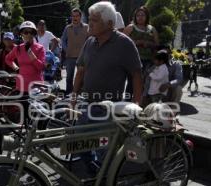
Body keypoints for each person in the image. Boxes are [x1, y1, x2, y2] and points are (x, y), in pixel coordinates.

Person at [72, 1, 143, 176]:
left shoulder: (124, 44)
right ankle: (95, 174)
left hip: (109, 109)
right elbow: (80, 70)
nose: (90, 23)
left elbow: (136, 75)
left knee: (105, 152)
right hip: (86, 104)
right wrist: (73, 96)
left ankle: (107, 185)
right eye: (90, 19)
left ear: (110, 24)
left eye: (95, 20)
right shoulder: (89, 42)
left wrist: (136, 105)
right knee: (77, 143)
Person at [123, 6, 159, 100]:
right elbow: (122, 41)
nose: (140, 17)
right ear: (135, 16)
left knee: (145, 83)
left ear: (147, 16)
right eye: (138, 15)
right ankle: (126, 103)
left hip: (148, 61)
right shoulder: (131, 27)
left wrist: (149, 44)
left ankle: (140, 104)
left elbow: (157, 45)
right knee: (132, 83)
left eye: (142, 15)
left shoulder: (152, 29)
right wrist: (136, 42)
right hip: (133, 60)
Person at [5, 21, 46, 93]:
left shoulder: (40, 48)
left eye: (31, 32)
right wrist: (16, 68)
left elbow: (41, 67)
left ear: (34, 34)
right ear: (21, 34)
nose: (29, 35)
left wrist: (30, 52)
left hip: (36, 86)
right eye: (26, 32)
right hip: (21, 86)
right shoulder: (18, 48)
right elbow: (8, 59)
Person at [61, 8, 89, 94]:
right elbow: (63, 40)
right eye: (73, 16)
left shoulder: (86, 27)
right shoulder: (67, 28)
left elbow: (90, 40)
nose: (75, 18)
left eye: (77, 16)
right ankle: (69, 95)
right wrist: (67, 49)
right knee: (69, 78)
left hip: (83, 57)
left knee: (82, 78)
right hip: (70, 57)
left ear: (80, 17)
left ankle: (80, 95)